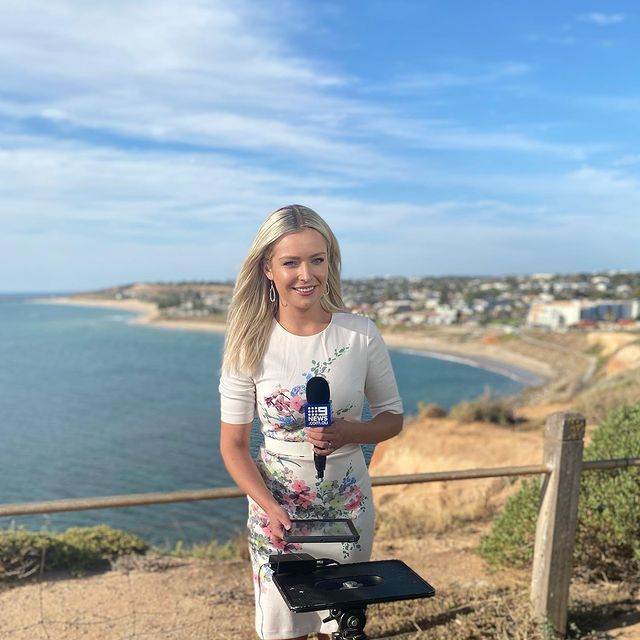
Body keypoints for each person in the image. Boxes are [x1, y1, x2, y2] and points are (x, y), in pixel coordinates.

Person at [219, 204, 403, 640]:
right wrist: (269, 506)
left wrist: (350, 432)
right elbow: (232, 446)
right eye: (291, 262)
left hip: (347, 508)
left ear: (329, 262)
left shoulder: (360, 334)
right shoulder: (248, 344)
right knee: (285, 630)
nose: (307, 274)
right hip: (276, 514)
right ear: (267, 268)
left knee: (339, 628)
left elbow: (392, 419)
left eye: (317, 260)